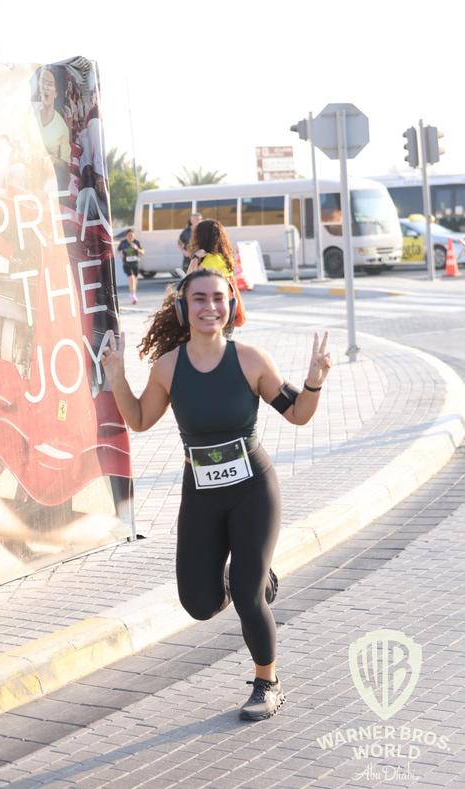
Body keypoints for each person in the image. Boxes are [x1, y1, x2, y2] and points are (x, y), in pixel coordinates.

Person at [101, 268, 331, 720]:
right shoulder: (168, 367)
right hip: (201, 494)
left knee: (246, 594)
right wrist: (116, 375)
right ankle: (257, 577)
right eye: (199, 298)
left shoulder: (250, 360)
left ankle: (267, 683)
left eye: (219, 298)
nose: (210, 307)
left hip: (253, 489)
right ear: (183, 308)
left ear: (232, 305)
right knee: (199, 603)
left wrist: (314, 380)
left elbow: (298, 415)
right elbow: (141, 420)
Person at [33, 67, 71, 190]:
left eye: (50, 84)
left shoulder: (62, 128)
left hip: (46, 179)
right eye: (43, 83)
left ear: (56, 93)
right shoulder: (30, 112)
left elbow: (66, 166)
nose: (45, 87)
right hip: (26, 171)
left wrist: (53, 159)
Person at [117, 229, 145, 304]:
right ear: (126, 236)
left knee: (135, 280)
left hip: (135, 264)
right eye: (129, 235)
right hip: (127, 264)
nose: (130, 237)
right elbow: (119, 251)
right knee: (131, 278)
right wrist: (121, 254)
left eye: (132, 235)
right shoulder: (123, 243)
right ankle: (133, 295)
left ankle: (133, 293)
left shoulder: (136, 242)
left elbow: (142, 252)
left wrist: (137, 249)